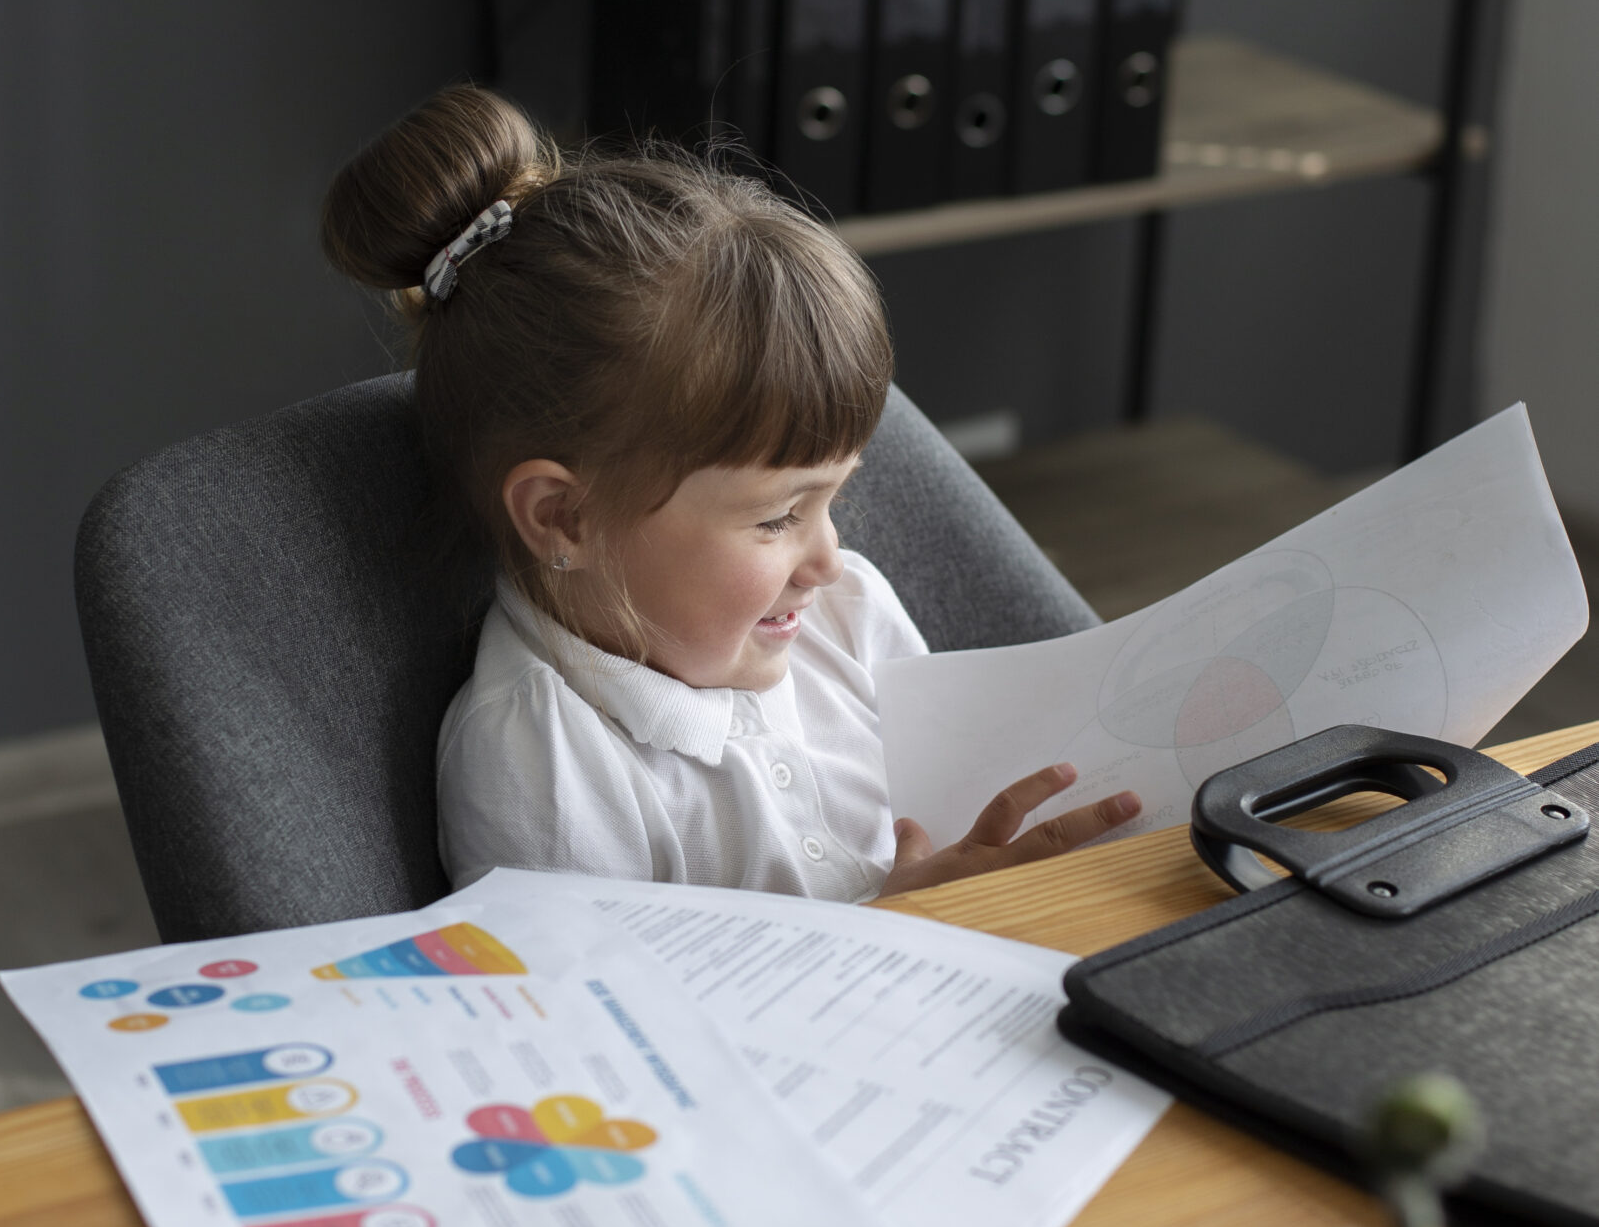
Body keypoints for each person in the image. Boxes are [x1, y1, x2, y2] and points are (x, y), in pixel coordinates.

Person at [322, 82, 1140, 903]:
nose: (827, 561)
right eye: (779, 517)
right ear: (563, 517)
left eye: (833, 500)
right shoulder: (545, 763)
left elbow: (967, 824)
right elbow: (612, 1025)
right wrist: (902, 927)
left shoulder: (849, 619)